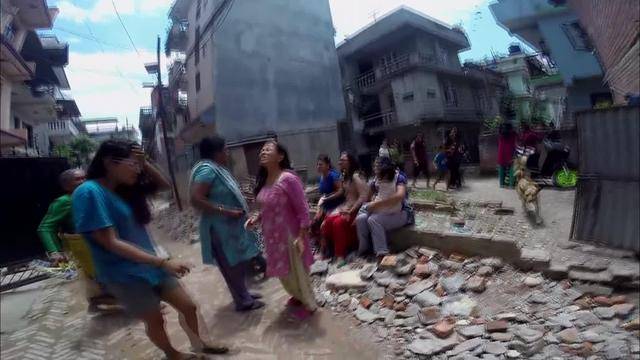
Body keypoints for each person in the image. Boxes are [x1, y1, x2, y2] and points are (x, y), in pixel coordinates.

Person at [72, 139, 228, 360]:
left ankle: (201, 343)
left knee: (189, 306)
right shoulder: (89, 192)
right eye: (132, 163)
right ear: (109, 162)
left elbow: (165, 185)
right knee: (155, 319)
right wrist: (164, 263)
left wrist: (145, 163)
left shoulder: (123, 189)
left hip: (151, 264)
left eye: (138, 164)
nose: (137, 169)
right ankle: (173, 354)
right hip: (123, 274)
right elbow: (111, 242)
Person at [189, 136, 265, 312]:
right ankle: (243, 302)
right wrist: (227, 211)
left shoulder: (217, 169)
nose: (227, 152)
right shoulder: (207, 171)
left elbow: (221, 193)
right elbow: (196, 199)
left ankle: (244, 293)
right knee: (230, 264)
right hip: (219, 227)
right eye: (225, 149)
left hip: (229, 227)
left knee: (237, 262)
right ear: (216, 153)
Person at [247, 141, 317, 320]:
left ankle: (310, 305)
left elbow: (302, 209)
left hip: (289, 235)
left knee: (297, 270)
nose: (263, 151)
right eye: (262, 149)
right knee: (283, 271)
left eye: (268, 149)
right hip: (271, 236)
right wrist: (256, 218)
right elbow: (267, 208)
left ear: (280, 156)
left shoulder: (288, 179)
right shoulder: (264, 181)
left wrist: (301, 236)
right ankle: (297, 296)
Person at [356, 157, 412, 261]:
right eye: (375, 167)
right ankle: (364, 248)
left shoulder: (399, 178)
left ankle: (382, 253)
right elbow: (368, 197)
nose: (374, 170)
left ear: (385, 169)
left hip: (399, 213)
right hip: (381, 211)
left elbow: (400, 196)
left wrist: (377, 204)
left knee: (373, 220)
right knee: (361, 219)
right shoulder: (376, 180)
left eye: (377, 167)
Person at [320, 152, 369, 267]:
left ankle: (340, 255)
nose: (339, 162)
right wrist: (327, 198)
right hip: (346, 207)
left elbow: (364, 196)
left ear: (350, 162)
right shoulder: (345, 175)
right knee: (327, 222)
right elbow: (342, 191)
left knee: (338, 223)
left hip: (356, 209)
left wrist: (351, 211)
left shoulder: (356, 176)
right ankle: (329, 251)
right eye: (339, 160)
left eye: (343, 160)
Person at [38, 169, 86, 262]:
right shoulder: (64, 201)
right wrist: (54, 252)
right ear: (66, 185)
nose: (83, 182)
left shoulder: (91, 196)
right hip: (79, 248)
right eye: (78, 179)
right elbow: (45, 228)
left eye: (85, 178)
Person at [312, 154, 343, 258]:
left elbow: (340, 191)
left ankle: (323, 252)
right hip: (326, 206)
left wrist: (327, 198)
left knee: (323, 225)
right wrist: (320, 209)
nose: (318, 167)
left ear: (328, 165)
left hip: (337, 205)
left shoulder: (333, 176)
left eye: (321, 164)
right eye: (317, 165)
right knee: (314, 222)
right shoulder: (322, 177)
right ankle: (322, 248)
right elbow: (322, 194)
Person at [498, 122, 518, 187]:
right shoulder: (513, 133)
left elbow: (499, 129)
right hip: (511, 152)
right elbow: (519, 138)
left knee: (501, 167)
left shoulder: (501, 134)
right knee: (512, 168)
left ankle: (502, 184)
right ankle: (511, 185)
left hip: (502, 152)